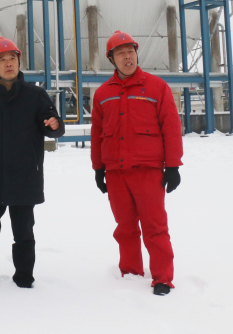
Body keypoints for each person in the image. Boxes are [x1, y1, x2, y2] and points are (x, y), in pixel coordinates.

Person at [0, 37, 65, 288]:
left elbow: (52, 125)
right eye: (2, 59)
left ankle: (24, 278)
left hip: (24, 176)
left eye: (12, 58)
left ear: (19, 62)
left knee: (24, 233)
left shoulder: (36, 95)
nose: (8, 63)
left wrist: (55, 124)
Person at [90, 30, 183, 296]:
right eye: (121, 53)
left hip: (148, 171)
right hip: (116, 172)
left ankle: (162, 277)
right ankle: (130, 273)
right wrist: (98, 169)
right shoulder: (103, 94)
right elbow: (97, 133)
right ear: (112, 59)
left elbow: (171, 128)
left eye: (130, 52)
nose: (127, 57)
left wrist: (173, 166)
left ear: (136, 54)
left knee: (155, 226)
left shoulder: (156, 87)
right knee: (125, 227)